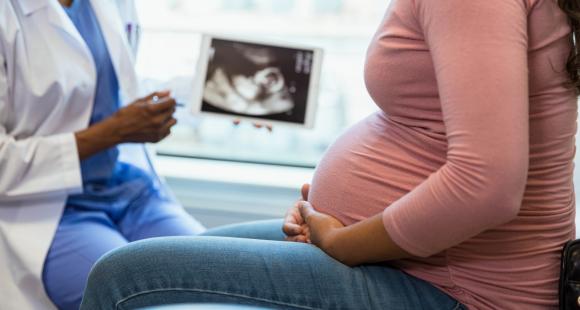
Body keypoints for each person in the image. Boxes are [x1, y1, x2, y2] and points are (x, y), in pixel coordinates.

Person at [81, 0, 578, 309]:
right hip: (417, 260)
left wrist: (345, 240)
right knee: (167, 256)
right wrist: (343, 205)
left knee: (122, 277)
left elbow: (487, 186)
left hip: (459, 289)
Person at [0, 0, 209, 309]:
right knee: (146, 300)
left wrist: (215, 97)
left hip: (128, 190)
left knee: (224, 279)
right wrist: (114, 132)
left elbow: (111, 85)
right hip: (46, 210)